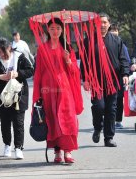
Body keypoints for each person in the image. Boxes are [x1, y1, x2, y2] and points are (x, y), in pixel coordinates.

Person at [33, 18, 83, 163]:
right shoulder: (42, 49)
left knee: (68, 118)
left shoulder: (67, 47)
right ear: (48, 30)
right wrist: (37, 93)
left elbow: (75, 71)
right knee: (52, 119)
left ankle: (68, 151)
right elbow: (38, 72)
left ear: (63, 30)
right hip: (47, 89)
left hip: (64, 88)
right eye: (52, 28)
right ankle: (57, 152)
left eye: (58, 28)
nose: (55, 31)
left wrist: (68, 60)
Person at [81, 13, 129, 147]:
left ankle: (108, 137)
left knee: (111, 109)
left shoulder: (116, 40)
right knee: (99, 106)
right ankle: (97, 127)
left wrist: (125, 74)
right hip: (96, 80)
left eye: (104, 22)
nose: (102, 25)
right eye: (99, 22)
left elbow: (123, 59)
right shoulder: (88, 41)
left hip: (113, 81)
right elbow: (84, 61)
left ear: (109, 24)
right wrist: (85, 78)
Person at [0, 37, 33, 159]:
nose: (2, 54)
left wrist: (18, 74)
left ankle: (18, 148)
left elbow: (30, 71)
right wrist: (0, 77)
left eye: (3, 51)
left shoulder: (20, 57)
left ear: (9, 47)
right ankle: (7, 145)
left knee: (18, 123)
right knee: (5, 123)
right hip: (3, 97)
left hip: (19, 96)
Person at [109, 23, 131, 129]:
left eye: (115, 30)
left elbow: (126, 60)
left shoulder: (122, 45)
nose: (114, 32)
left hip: (119, 77)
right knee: (108, 99)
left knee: (118, 99)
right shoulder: (104, 43)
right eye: (112, 30)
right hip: (107, 77)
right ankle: (108, 119)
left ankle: (118, 121)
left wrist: (125, 74)